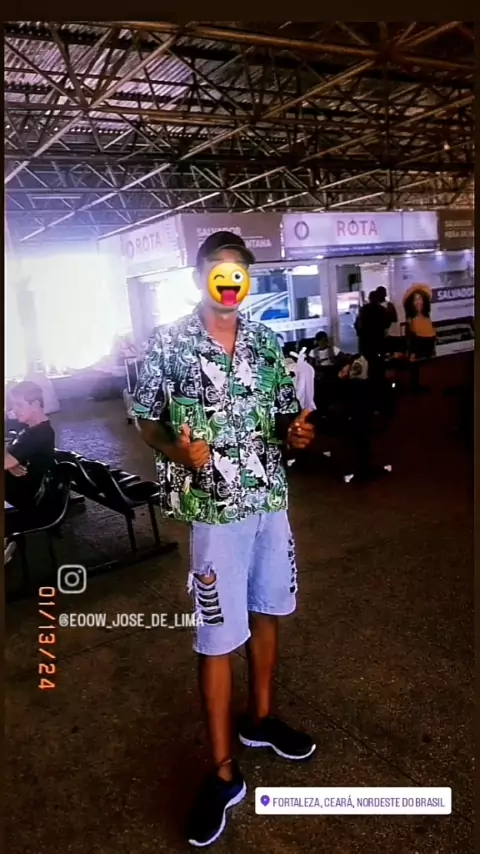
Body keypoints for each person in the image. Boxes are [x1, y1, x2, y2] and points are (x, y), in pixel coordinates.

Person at [133, 230, 315, 848]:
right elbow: (146, 421)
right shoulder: (169, 343)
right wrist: (177, 451)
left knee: (268, 612)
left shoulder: (265, 342)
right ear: (199, 277)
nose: (229, 282)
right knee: (217, 636)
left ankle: (260, 719)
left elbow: (285, 415)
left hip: (270, 502)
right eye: (218, 270)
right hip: (214, 512)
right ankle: (222, 773)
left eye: (238, 272)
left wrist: (295, 435)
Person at [4, 380, 56, 562]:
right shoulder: (29, 428)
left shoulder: (41, 434)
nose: (14, 410)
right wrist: (9, 459)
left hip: (24, 495)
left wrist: (8, 459)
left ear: (35, 404)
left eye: (19, 405)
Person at [403, 285, 436, 360]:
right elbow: (412, 339)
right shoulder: (411, 319)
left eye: (420, 299)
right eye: (415, 299)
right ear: (412, 302)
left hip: (429, 352)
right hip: (417, 354)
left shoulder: (428, 316)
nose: (418, 302)